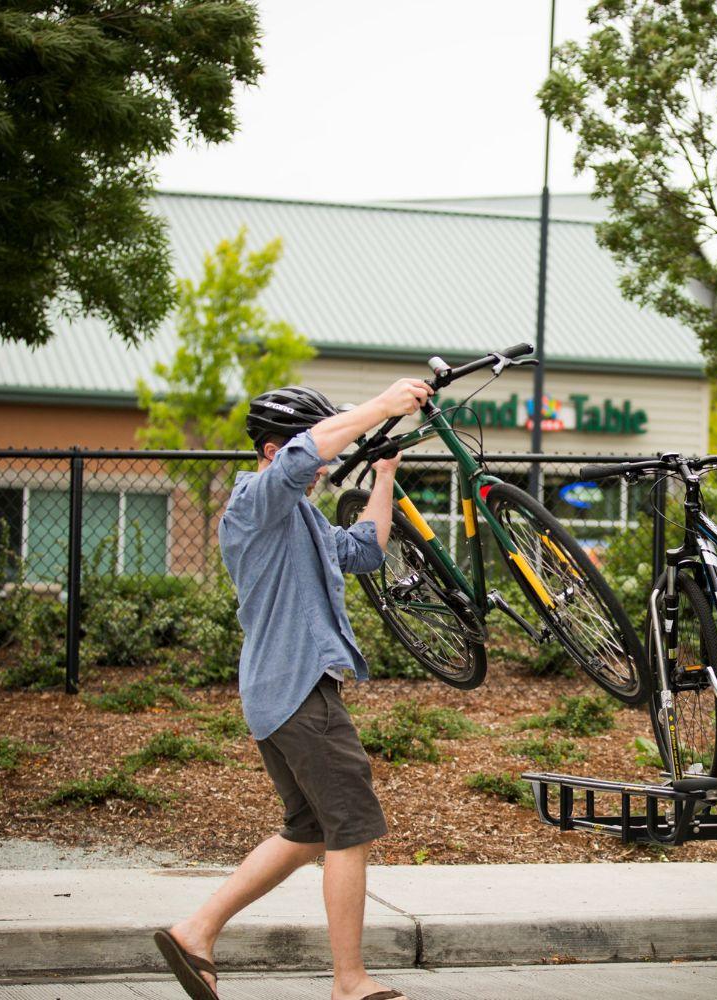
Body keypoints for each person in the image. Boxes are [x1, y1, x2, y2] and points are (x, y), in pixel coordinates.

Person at [153, 377, 433, 1000]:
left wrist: (384, 475)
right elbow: (309, 451)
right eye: (311, 454)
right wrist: (382, 406)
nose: (324, 466)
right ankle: (349, 981)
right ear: (276, 452)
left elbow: (363, 550)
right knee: (351, 828)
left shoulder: (298, 518)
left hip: (280, 693)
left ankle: (195, 931)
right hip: (300, 691)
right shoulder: (255, 500)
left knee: (307, 830)